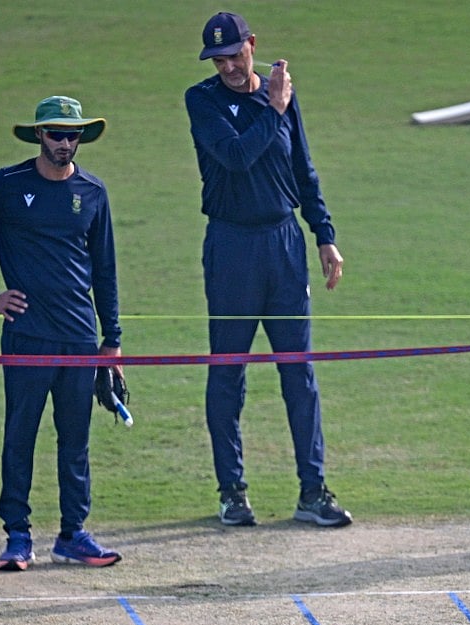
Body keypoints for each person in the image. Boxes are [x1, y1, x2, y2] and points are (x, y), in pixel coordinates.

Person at [185, 10, 351, 528]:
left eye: (235, 54)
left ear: (252, 44)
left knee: (298, 372)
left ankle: (312, 491)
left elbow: (302, 168)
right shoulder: (203, 101)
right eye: (218, 59)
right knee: (228, 372)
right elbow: (236, 157)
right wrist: (274, 108)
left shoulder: (281, 97)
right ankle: (232, 492)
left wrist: (323, 235)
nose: (228, 66)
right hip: (232, 246)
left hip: (284, 245)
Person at [0, 96, 124, 571]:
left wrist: (113, 340)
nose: (66, 143)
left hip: (81, 339)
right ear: (39, 135)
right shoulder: (7, 185)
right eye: (56, 134)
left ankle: (72, 534)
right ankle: (18, 536)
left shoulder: (94, 192)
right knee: (20, 435)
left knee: (76, 439)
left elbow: (104, 271)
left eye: (73, 134)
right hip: (27, 336)